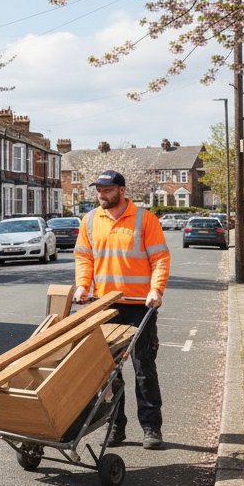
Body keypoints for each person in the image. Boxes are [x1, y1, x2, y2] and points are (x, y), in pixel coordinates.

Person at [73, 170, 171, 449]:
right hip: (105, 306)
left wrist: (156, 289)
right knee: (109, 371)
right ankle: (116, 427)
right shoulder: (90, 220)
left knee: (143, 368)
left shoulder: (145, 219)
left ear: (121, 191)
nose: (101, 195)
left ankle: (151, 428)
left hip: (141, 306)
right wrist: (82, 286)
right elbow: (84, 258)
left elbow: (160, 258)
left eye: (107, 190)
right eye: (99, 191)